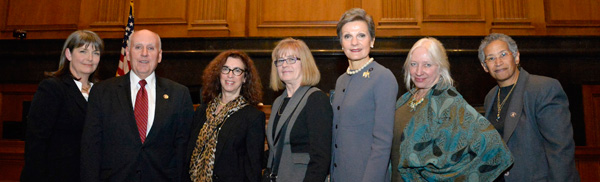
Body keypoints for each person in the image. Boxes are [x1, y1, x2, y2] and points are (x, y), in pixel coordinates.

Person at [392, 37, 513, 181]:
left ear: (440, 67)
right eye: (413, 64)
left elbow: (493, 147)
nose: (419, 71)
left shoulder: (449, 102)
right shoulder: (404, 100)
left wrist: (448, 177)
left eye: (427, 65)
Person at [81, 29, 194, 181]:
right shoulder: (102, 92)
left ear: (159, 55)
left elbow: (183, 150)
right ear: (128, 53)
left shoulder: (179, 94)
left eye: (151, 48)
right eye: (138, 47)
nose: (144, 53)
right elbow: (91, 148)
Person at [478, 33, 580, 181]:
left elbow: (560, 149)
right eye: (491, 58)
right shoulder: (490, 96)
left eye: (503, 54)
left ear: (516, 57)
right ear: (485, 66)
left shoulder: (543, 89)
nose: (498, 62)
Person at [20, 30, 103, 182]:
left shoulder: (102, 92)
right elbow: (36, 140)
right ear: (69, 54)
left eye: (95, 53)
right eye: (83, 51)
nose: (90, 58)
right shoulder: (52, 88)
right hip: (55, 175)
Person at [330, 8, 398, 182]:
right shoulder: (341, 81)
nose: (354, 42)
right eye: (347, 36)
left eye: (361, 35)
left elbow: (383, 143)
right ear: (341, 43)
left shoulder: (383, 77)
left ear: (372, 40)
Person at [185, 50, 265, 182]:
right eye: (226, 69)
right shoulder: (202, 111)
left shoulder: (253, 117)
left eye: (237, 70)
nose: (230, 75)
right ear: (218, 74)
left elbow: (253, 169)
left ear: (245, 78)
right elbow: (188, 155)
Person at [264, 38, 332, 182]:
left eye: (291, 59)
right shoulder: (278, 102)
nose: (284, 65)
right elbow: (274, 149)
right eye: (280, 61)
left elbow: (321, 158)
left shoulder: (316, 100)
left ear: (305, 63)